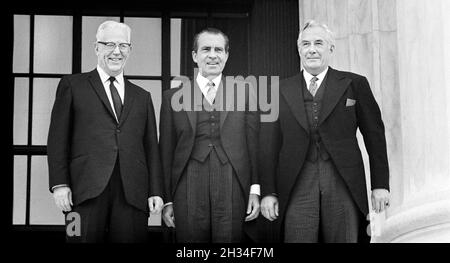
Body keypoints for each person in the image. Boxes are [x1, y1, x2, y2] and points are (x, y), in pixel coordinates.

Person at [259, 20, 390, 243]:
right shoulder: (277, 90)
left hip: (344, 183)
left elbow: (374, 137)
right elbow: (268, 145)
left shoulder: (354, 84)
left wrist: (380, 185)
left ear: (331, 48)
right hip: (296, 183)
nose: (312, 49)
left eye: (319, 43)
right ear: (299, 49)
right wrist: (268, 191)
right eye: (306, 44)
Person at [47, 20, 164, 242]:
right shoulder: (72, 85)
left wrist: (155, 190)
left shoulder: (142, 96)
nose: (116, 51)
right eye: (109, 44)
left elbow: (151, 147)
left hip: (133, 194)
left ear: (130, 50)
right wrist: (60, 184)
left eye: (123, 46)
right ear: (96, 47)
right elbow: (57, 139)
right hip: (82, 193)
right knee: (76, 238)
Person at [159, 28, 260, 242]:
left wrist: (254, 190)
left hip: (233, 181)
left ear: (226, 56)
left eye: (218, 50)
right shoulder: (172, 97)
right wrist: (168, 199)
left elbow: (254, 145)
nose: (212, 55)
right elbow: (166, 151)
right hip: (187, 182)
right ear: (195, 56)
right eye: (206, 49)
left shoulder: (245, 92)